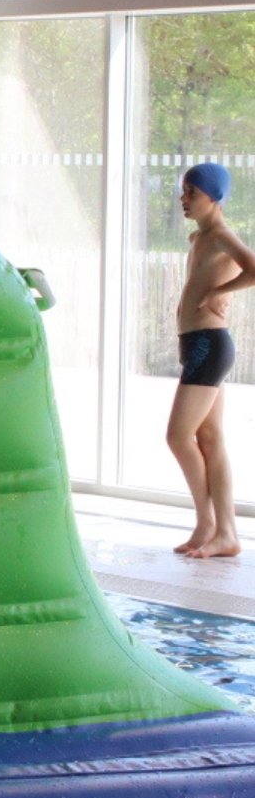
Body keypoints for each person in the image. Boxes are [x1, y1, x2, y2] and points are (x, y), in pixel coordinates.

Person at [167, 161, 255, 559]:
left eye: (192, 193)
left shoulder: (220, 234)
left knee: (178, 435)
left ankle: (208, 523)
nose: (184, 199)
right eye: (183, 190)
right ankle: (226, 533)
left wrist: (221, 290)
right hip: (199, 343)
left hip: (208, 344)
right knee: (209, 438)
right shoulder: (198, 237)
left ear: (214, 198)